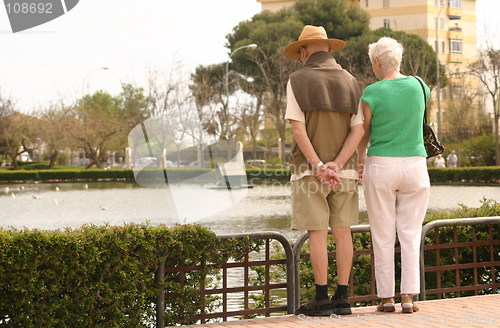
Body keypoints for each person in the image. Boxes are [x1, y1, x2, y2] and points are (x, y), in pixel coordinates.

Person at [283, 25, 364, 316]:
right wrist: (338, 164)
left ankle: (322, 299)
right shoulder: (352, 81)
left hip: (308, 173)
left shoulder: (296, 80)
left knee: (317, 233)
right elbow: (358, 129)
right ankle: (343, 298)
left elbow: (297, 128)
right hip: (344, 172)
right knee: (343, 232)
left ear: (304, 51)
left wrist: (317, 165)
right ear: (328, 48)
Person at [358, 37, 430, 314]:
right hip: (415, 164)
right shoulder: (421, 86)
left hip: (381, 164)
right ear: (398, 60)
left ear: (377, 62)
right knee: (410, 233)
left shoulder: (371, 92)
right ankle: (409, 297)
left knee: (383, 233)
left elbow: (364, 132)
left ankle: (386, 298)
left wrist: (359, 161)